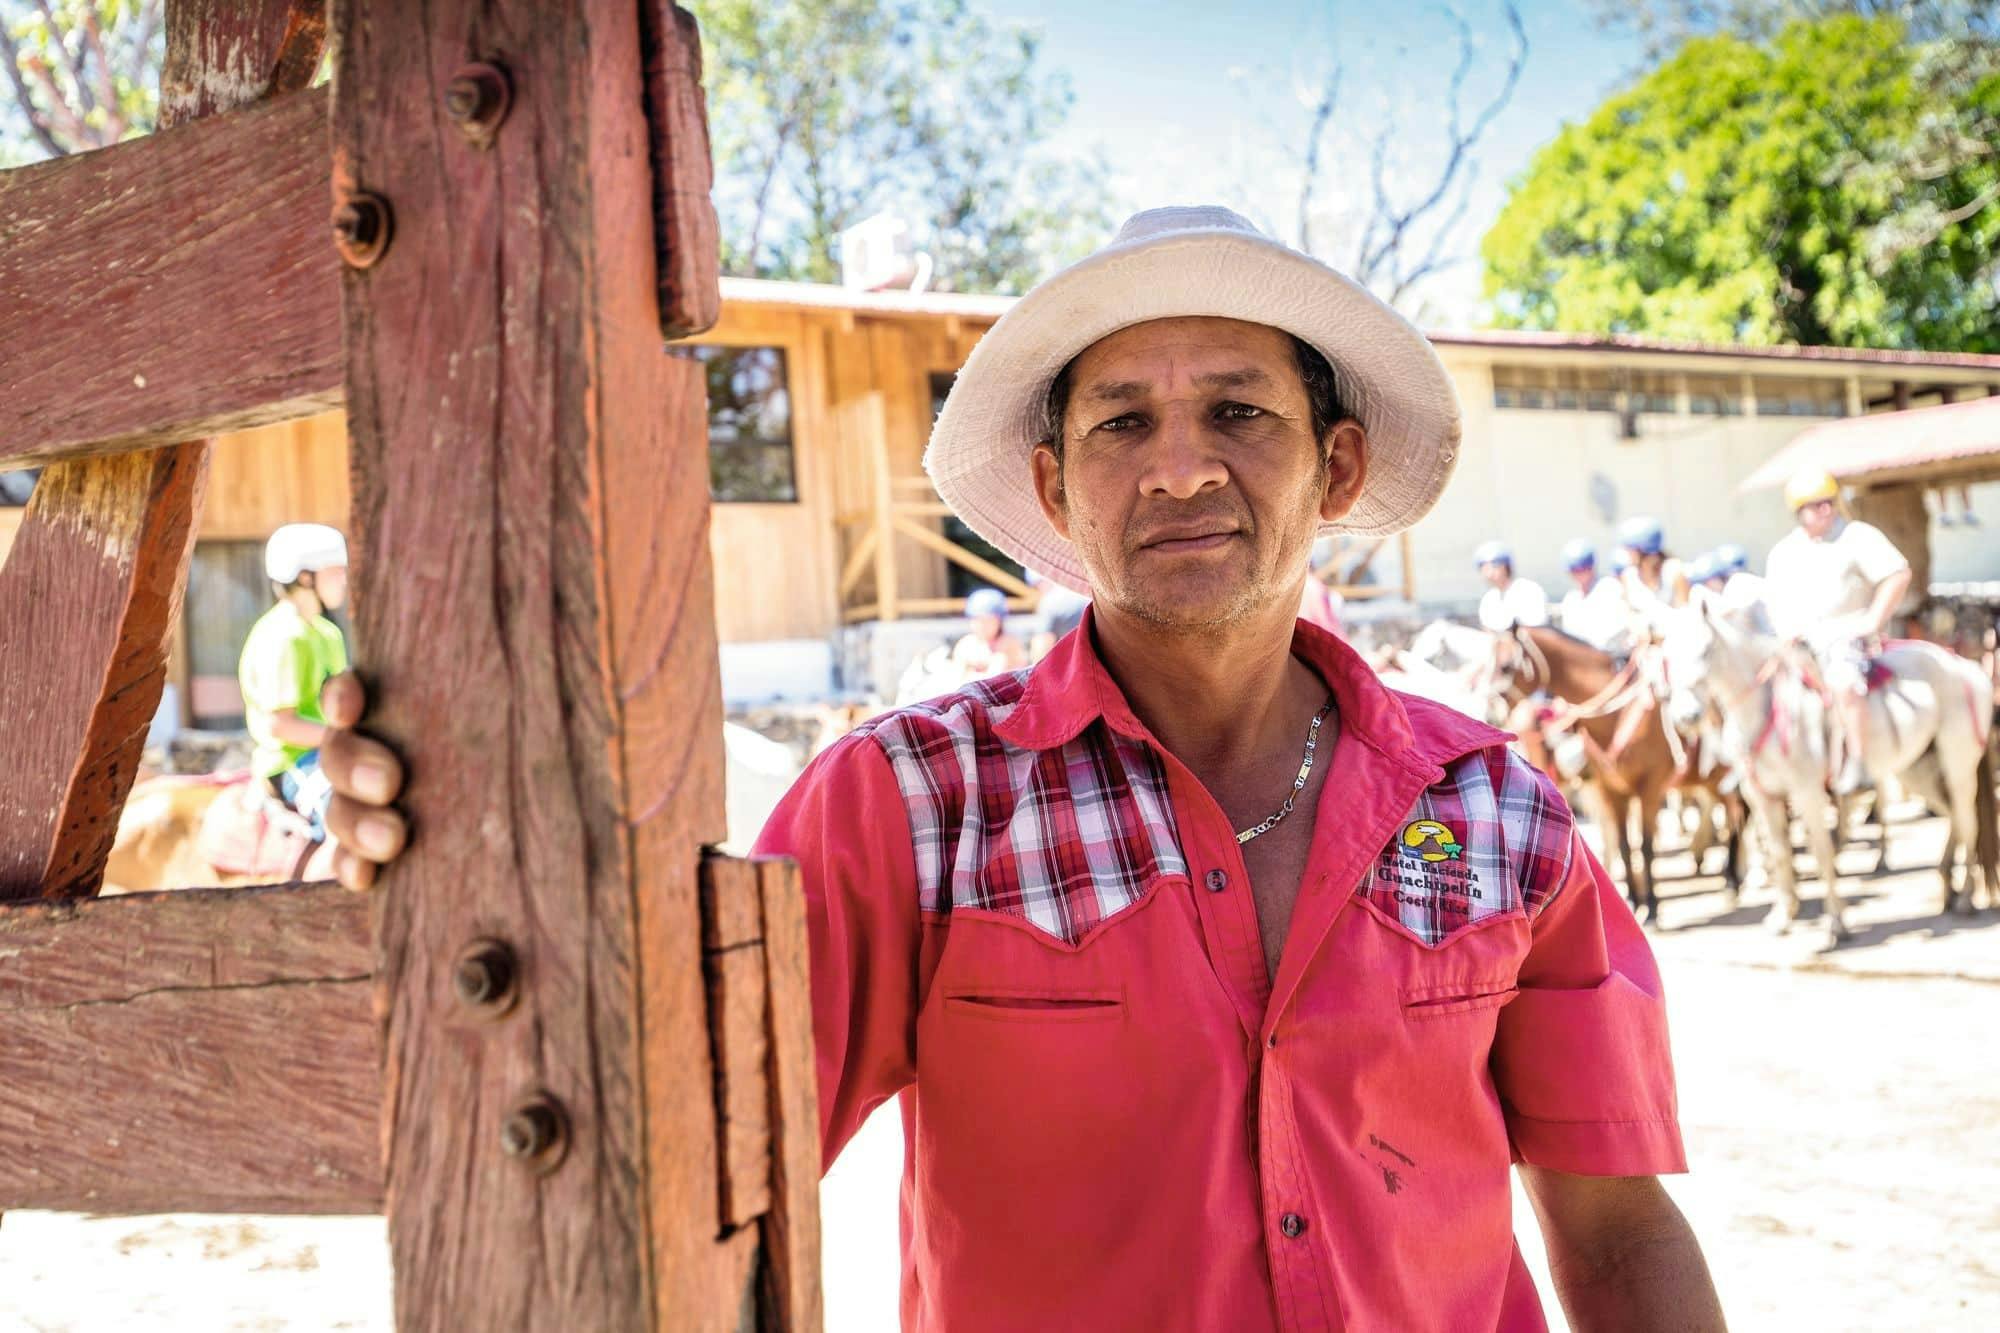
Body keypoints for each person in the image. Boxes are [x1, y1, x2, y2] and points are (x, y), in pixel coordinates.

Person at [311, 206, 1721, 1331]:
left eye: (1239, 412)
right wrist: (448, 852)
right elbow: (642, 1103)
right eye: (1120, 423)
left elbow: (1618, 1229)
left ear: (1336, 469)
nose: (1178, 469)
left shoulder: (1496, 811)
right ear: (1054, 488)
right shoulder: (915, 803)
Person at [1764, 467, 1913, 794]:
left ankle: (1859, 762)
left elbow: (1897, 573)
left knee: (1844, 682)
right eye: (1814, 505)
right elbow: (1775, 601)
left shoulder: (1857, 535)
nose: (1824, 510)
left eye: (1828, 502)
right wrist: (1785, 630)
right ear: (1798, 511)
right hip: (1800, 642)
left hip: (1847, 636)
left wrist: (1873, 619)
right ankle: (1753, 764)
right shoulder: (1784, 552)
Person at [238, 523, 349, 837]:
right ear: (305, 577)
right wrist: (342, 739)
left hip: (329, 750)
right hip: (292, 763)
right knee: (343, 823)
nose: (344, 579)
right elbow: (281, 726)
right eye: (335, 571)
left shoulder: (328, 633)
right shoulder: (284, 636)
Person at [1615, 515, 1688, 639]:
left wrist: (1657, 637)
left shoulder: (1674, 571)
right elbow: (1627, 613)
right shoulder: (1628, 576)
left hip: (1674, 643)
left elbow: (1685, 616)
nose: (1626, 553)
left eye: (1629, 549)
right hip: (1641, 645)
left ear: (1643, 550)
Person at [1554, 537, 1631, 655]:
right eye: (1574, 570)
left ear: (1592, 567)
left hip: (1608, 658)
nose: (1578, 574)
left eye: (1582, 569)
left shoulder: (1609, 587)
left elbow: (1620, 628)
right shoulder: (1571, 599)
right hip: (1580, 659)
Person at [1472, 539, 1550, 632]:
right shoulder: (1489, 598)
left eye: (1494, 566)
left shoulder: (1528, 589)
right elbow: (1488, 631)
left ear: (1506, 567)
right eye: (1484, 569)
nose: (1489, 573)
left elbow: (1536, 629)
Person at [949, 586, 1028, 677]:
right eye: (978, 620)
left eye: (989, 621)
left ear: (999, 622)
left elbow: (1001, 673)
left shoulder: (1008, 643)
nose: (983, 626)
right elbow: (957, 675)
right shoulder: (966, 644)